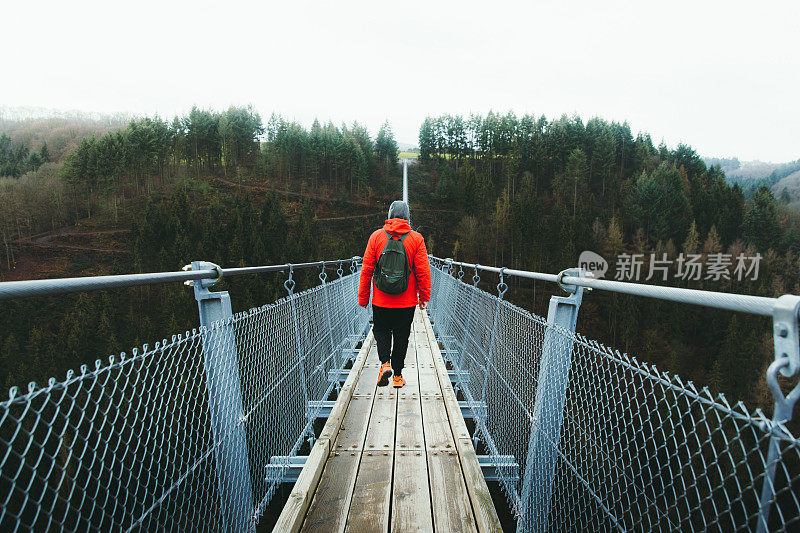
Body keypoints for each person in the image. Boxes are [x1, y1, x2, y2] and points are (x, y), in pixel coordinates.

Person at [358, 200, 431, 388]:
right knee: (401, 336)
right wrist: (424, 297)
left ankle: (384, 364)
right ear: (408, 217)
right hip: (406, 302)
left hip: (381, 300)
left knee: (381, 331)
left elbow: (366, 269)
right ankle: (398, 377)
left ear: (390, 215)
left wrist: (363, 297)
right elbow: (423, 271)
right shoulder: (416, 239)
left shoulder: (376, 237)